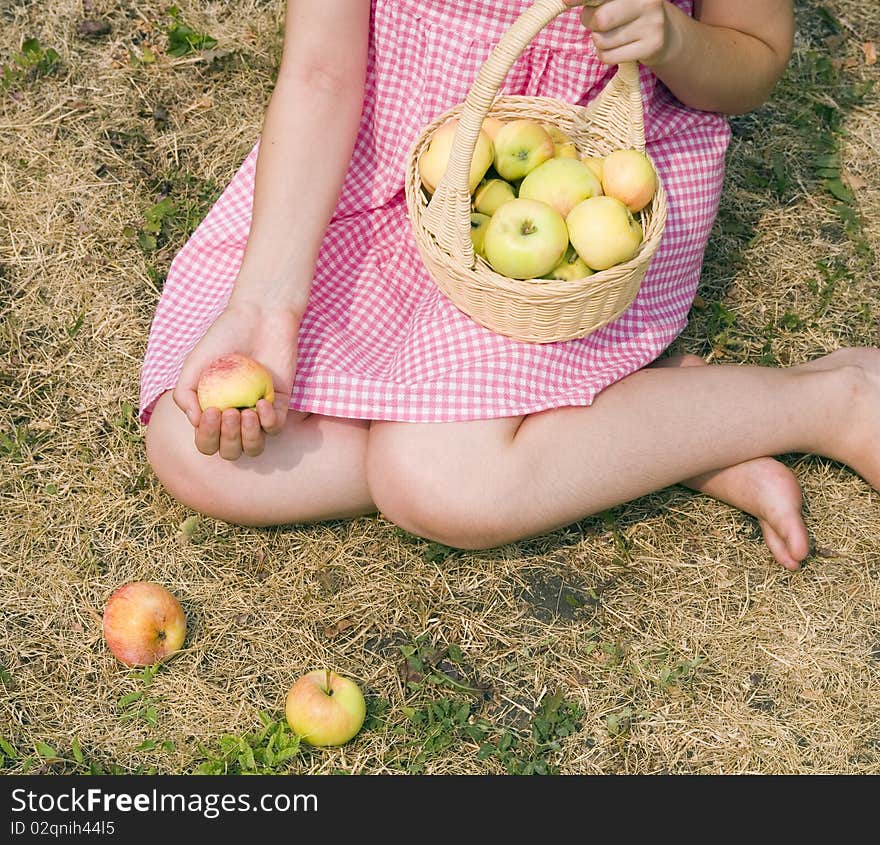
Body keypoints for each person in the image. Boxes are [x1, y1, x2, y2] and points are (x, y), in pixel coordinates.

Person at [141, 0, 879, 572]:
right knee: (196, 444)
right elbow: (321, 74)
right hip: (388, 167)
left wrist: (672, 37)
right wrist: (265, 306)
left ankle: (834, 400)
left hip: (576, 189)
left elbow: (753, 58)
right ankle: (626, 428)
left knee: (442, 482)